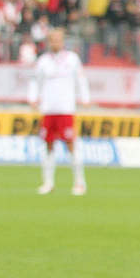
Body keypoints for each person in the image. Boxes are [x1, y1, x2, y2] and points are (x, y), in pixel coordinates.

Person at [28, 28, 91, 196]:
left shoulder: (72, 59)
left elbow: (81, 79)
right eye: (52, 40)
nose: (55, 43)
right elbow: (35, 81)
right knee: (48, 145)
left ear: (63, 41)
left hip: (66, 108)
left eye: (58, 39)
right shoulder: (43, 61)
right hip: (48, 109)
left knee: (71, 144)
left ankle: (79, 182)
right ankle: (48, 182)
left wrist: (85, 98)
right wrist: (33, 98)